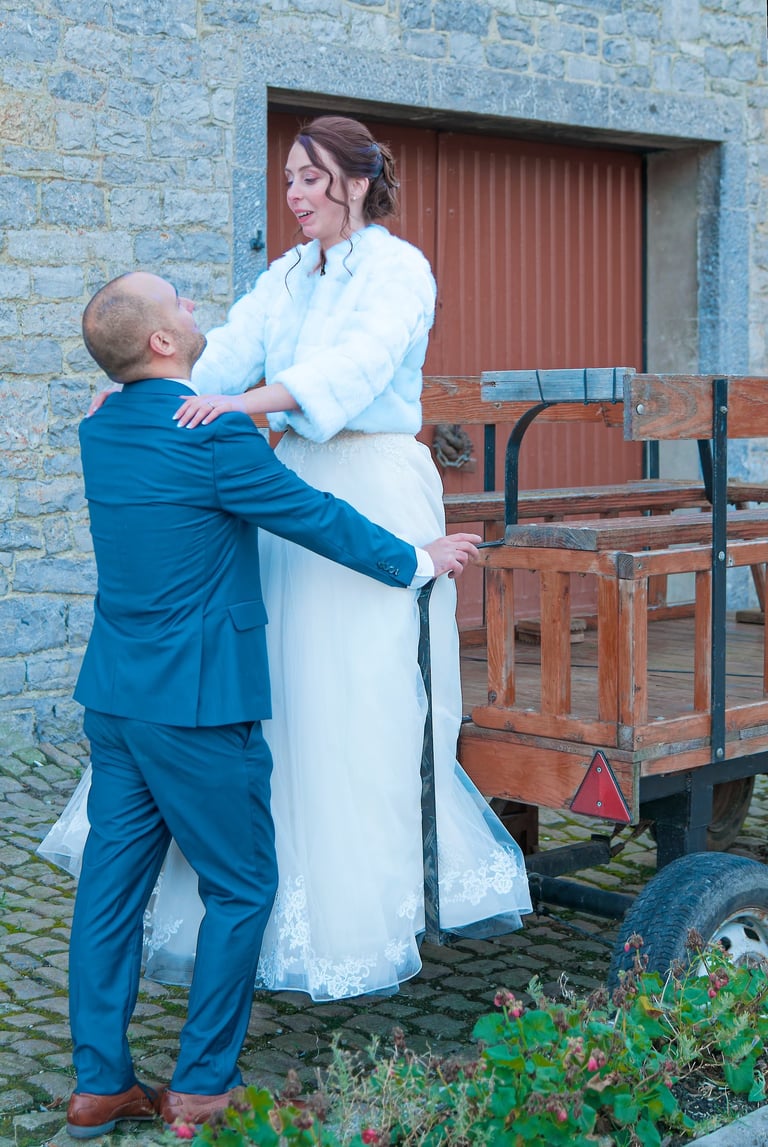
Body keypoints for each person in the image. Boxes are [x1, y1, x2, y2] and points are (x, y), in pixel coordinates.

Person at [42, 114, 532, 1003]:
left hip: (374, 481)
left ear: (356, 178)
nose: (296, 194)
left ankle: (364, 905)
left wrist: (233, 403)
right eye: (290, 179)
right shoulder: (286, 275)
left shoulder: (399, 268)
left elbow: (353, 368)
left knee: (358, 693)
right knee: (285, 689)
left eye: (311, 177)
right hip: (293, 486)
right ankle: (265, 884)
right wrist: (142, 390)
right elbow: (220, 350)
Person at [59, 269, 481, 1139]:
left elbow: (146, 412)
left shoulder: (100, 429)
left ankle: (99, 1083)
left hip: (117, 697)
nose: (194, 306)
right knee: (244, 885)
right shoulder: (213, 440)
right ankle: (202, 1085)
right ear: (165, 345)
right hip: (201, 708)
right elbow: (313, 515)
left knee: (108, 890)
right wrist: (417, 559)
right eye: (179, 301)